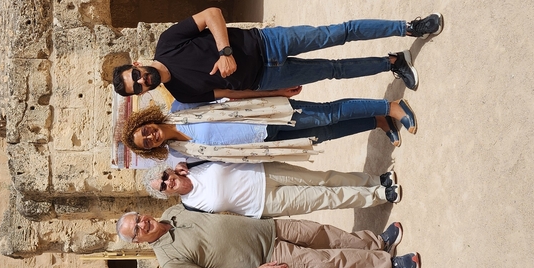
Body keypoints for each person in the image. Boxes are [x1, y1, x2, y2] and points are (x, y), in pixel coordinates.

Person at [111, 7, 443, 102]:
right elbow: (227, 93)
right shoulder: (180, 94)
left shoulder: (168, 42)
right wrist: (275, 92)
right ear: (141, 93)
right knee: (334, 71)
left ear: (137, 65)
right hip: (268, 77)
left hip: (267, 44)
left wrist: (225, 51)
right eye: (137, 87)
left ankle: (409, 27)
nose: (142, 81)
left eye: (136, 75)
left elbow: (212, 14)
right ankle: (393, 63)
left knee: (337, 33)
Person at [116, 205, 420, 268]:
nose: (143, 224)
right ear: (137, 241)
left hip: (268, 226)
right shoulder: (168, 260)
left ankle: (375, 243)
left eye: (139, 218)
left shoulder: (172, 212)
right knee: (327, 265)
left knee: (325, 235)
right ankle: (388, 266)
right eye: (137, 230)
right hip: (266, 257)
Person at [119, 95, 417, 162]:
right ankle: (375, 121)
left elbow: (223, 94)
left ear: (147, 122)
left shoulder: (180, 107)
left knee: (327, 114)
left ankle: (390, 107)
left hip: (266, 114)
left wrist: (268, 91)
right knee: (323, 134)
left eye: (145, 132)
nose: (150, 137)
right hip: (263, 144)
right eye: (146, 143)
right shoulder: (180, 153)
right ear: (152, 149)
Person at [145, 159, 402, 217]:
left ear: (168, 171)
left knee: (323, 178)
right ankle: (380, 196)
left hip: (265, 171)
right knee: (324, 198)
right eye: (163, 187)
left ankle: (376, 181)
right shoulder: (190, 207)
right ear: (165, 194)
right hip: (265, 204)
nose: (168, 183)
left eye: (164, 177)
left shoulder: (192, 162)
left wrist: (184, 161)